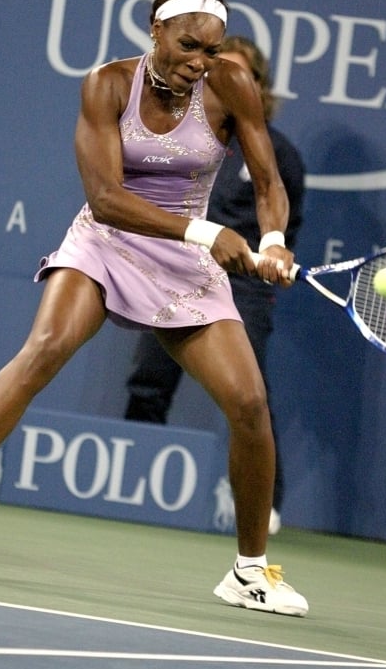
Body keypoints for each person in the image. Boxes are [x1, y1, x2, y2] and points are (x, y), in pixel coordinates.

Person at [0, 0, 309, 618]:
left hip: (183, 263)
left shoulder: (230, 83)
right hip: (107, 242)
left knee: (250, 404)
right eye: (187, 44)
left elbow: (267, 179)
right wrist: (208, 231)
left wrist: (276, 238)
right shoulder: (108, 85)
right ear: (155, 29)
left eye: (212, 48)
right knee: (45, 348)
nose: (198, 61)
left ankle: (250, 573)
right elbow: (106, 198)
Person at [124, 34, 305, 537]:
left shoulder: (279, 154)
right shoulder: (181, 141)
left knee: (249, 399)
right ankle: (131, 484)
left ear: (256, 87)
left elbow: (284, 222)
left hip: (243, 289)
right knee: (148, 381)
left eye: (234, 72)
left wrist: (271, 250)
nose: (218, 79)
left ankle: (265, 505)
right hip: (177, 272)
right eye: (212, 69)